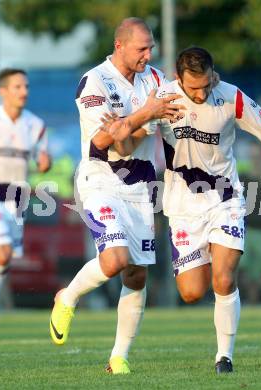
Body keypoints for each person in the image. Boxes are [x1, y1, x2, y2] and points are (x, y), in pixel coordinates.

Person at [108, 46, 261, 374]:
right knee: (192, 292)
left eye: (206, 85)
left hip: (225, 199)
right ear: (178, 78)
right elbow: (132, 140)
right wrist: (120, 136)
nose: (201, 93)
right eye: (193, 88)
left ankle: (224, 356)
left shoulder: (230, 95)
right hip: (183, 207)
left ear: (213, 74)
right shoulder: (162, 99)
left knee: (223, 277)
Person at [49, 17, 184, 374]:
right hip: (100, 179)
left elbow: (134, 131)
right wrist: (146, 114)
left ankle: (119, 357)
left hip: (140, 185)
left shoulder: (155, 79)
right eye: (142, 48)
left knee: (137, 275)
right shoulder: (94, 81)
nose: (149, 54)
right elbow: (103, 141)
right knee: (114, 260)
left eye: (151, 47)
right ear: (120, 45)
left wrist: (131, 123)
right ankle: (68, 296)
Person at [0, 68, 51, 340]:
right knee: (1, 253)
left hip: (17, 197)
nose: (24, 92)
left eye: (26, 86)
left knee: (3, 263)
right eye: (17, 87)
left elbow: (43, 158)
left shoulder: (35, 125)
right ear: (3, 91)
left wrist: (46, 162)